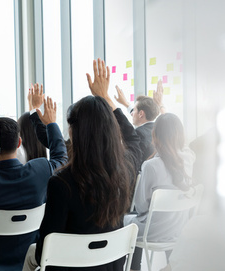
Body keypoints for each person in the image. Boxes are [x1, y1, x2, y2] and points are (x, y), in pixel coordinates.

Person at [22, 58, 143, 271]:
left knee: (32, 254)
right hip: (110, 265)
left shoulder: (62, 183)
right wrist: (105, 98)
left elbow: (44, 252)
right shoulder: (126, 170)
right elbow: (133, 140)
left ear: (75, 133)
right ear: (112, 131)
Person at [0, 84, 67, 271]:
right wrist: (50, 123)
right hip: (29, 263)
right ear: (19, 142)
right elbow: (61, 157)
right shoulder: (41, 169)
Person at [124, 113, 196, 271]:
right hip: (178, 231)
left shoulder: (151, 166)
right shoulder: (189, 159)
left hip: (153, 233)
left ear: (155, 135)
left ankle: (134, 268)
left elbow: (141, 206)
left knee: (126, 222)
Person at [113, 81, 165, 161]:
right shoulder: (158, 129)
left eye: (133, 110)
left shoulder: (139, 133)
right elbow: (136, 113)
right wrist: (126, 103)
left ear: (141, 114)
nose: (132, 113)